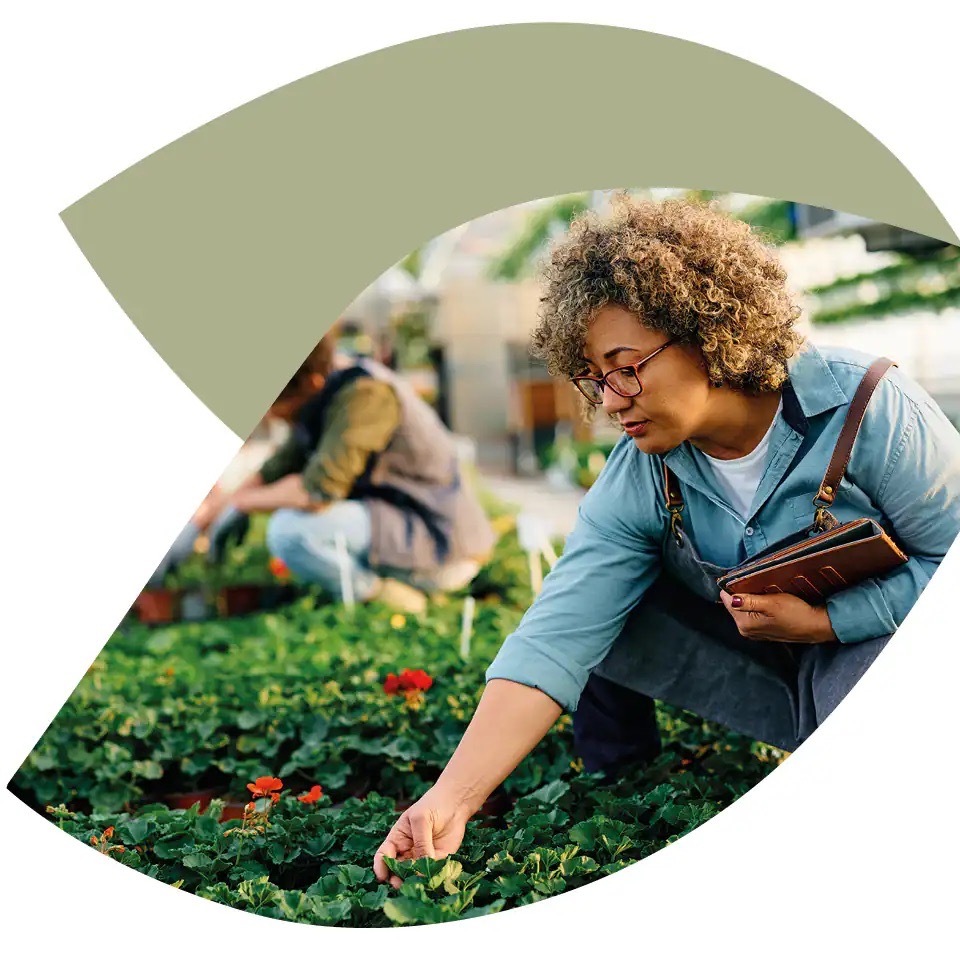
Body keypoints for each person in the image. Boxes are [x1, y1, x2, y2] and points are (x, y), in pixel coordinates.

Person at [372, 194, 960, 885]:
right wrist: (449, 801)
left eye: (627, 366)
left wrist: (831, 620)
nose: (613, 400)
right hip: (759, 664)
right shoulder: (643, 473)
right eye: (594, 378)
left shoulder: (868, 409)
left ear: (708, 328)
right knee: (601, 611)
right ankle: (628, 803)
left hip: (872, 649)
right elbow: (557, 631)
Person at [188, 328, 496, 613]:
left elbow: (316, 491)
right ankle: (378, 590)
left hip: (440, 545)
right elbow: (276, 470)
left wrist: (238, 504)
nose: (267, 413)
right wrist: (213, 511)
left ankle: (383, 597)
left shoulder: (366, 395)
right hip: (400, 530)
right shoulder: (326, 388)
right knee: (285, 520)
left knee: (290, 531)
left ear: (309, 384)